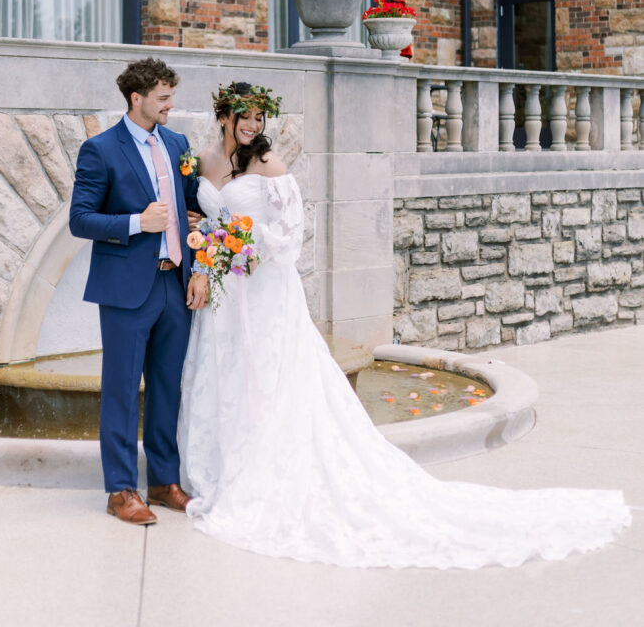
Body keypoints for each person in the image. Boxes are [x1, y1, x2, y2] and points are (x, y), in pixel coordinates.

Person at [178, 80, 631, 569]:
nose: (253, 126)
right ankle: (221, 470)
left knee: (268, 377)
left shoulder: (271, 165)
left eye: (259, 118)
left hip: (265, 292)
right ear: (224, 113)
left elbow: (290, 237)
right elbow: (203, 218)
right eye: (244, 116)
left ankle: (262, 475)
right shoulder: (203, 161)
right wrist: (206, 244)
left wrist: (239, 238)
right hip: (223, 298)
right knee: (224, 374)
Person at [70, 57, 208, 525]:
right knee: (123, 390)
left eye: (171, 96)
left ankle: (164, 482)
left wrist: (198, 259)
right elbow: (80, 219)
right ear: (138, 98)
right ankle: (120, 490)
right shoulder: (100, 149)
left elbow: (193, 208)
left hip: (174, 282)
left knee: (169, 387)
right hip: (127, 290)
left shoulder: (177, 144)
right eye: (164, 98)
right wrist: (136, 223)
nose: (171, 105)